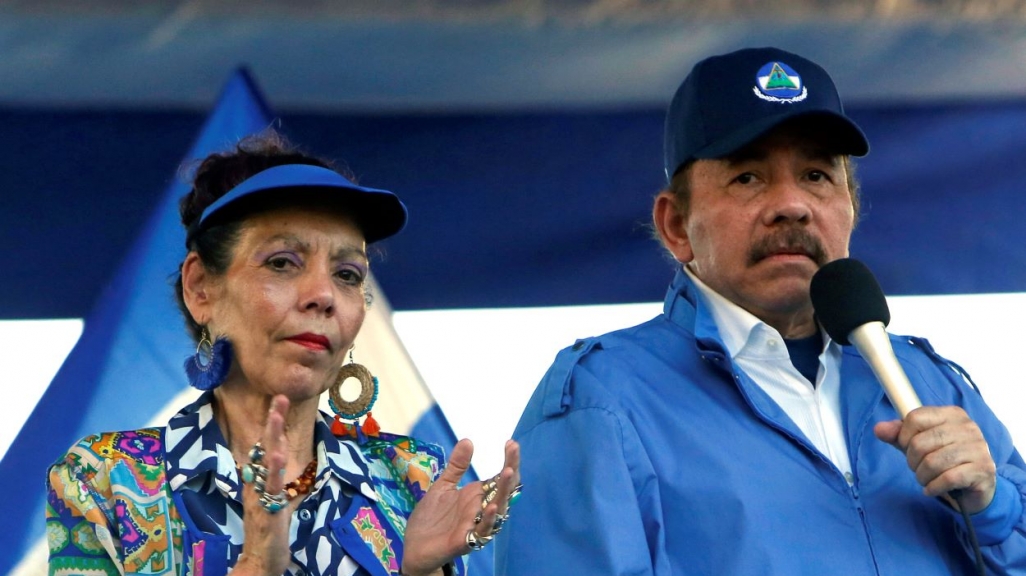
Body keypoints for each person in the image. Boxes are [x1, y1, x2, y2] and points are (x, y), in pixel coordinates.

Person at [495, 47, 1026, 574]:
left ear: (851, 208)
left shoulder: (932, 386)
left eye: (817, 175)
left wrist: (992, 508)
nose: (792, 205)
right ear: (677, 226)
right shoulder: (602, 398)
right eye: (748, 177)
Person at [46, 131, 520, 576]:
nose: (323, 295)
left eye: (348, 274)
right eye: (281, 263)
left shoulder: (413, 477)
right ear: (201, 288)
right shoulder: (105, 480)